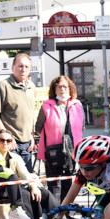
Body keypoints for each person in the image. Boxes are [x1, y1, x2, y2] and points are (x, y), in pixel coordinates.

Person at [0, 129, 60, 219]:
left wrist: (34, 186)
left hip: (17, 186)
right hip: (0, 190)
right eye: (2, 140)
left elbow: (25, 174)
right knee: (25, 194)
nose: (5, 143)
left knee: (43, 193)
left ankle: (59, 218)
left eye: (8, 140)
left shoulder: (15, 157)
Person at [35, 75, 84, 203]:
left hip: (71, 152)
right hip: (53, 152)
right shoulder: (47, 106)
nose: (62, 89)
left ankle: (65, 213)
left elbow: (81, 126)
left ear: (70, 88)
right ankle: (54, 214)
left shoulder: (77, 105)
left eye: (65, 86)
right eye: (59, 86)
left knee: (68, 183)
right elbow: (38, 128)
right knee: (54, 185)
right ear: (54, 89)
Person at [0, 53, 36, 172]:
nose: (23, 69)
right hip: (9, 143)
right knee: (11, 182)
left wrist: (31, 135)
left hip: (27, 144)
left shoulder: (32, 87)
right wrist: (5, 136)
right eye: (20, 66)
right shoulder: (4, 86)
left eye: (26, 66)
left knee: (28, 182)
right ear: (13, 67)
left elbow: (29, 113)